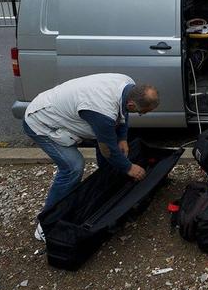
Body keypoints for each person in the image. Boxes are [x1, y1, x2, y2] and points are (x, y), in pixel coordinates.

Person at [22, 73, 160, 241]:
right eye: (141, 112)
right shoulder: (103, 111)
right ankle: (47, 224)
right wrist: (129, 168)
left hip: (68, 114)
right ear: (132, 103)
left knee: (113, 144)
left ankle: (105, 190)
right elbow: (107, 150)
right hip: (42, 122)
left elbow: (123, 113)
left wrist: (123, 137)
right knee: (73, 168)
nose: (141, 114)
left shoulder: (128, 84)